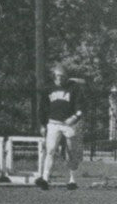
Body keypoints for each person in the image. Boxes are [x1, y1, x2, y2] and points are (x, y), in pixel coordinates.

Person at [34, 63, 84, 191]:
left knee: (71, 152)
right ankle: (45, 179)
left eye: (62, 77)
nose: (59, 79)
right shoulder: (48, 89)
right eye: (57, 76)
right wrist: (42, 124)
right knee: (50, 150)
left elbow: (80, 106)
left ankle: (72, 179)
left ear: (66, 77)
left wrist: (74, 117)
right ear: (54, 76)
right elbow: (42, 108)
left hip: (69, 124)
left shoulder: (74, 88)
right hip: (53, 123)